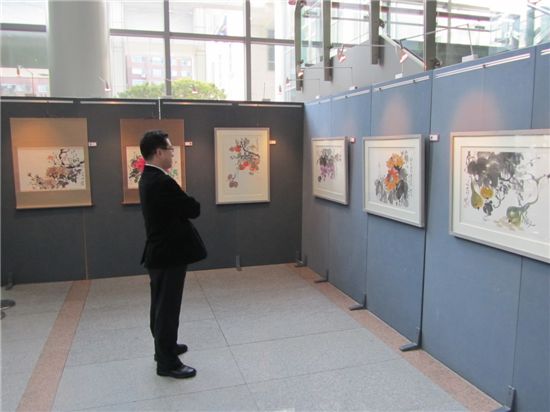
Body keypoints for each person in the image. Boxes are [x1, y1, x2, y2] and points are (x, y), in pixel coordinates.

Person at [138, 129, 206, 379]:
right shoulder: (162, 182)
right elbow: (193, 209)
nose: (172, 154)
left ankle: (164, 347)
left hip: (159, 253)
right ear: (158, 152)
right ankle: (167, 362)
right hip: (169, 254)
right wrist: (187, 202)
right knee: (167, 308)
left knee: (160, 304)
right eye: (170, 149)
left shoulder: (147, 177)